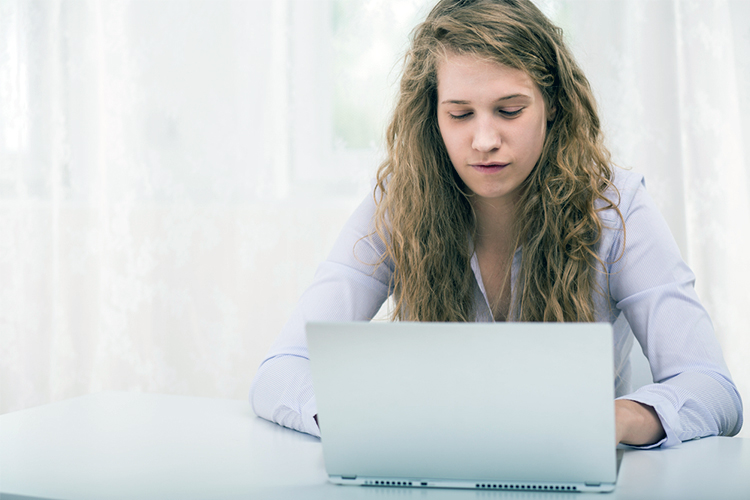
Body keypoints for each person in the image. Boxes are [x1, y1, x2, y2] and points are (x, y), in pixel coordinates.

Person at [250, 0, 742, 447]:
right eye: (460, 114)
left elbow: (712, 389)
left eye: (509, 110)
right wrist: (359, 418)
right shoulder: (400, 203)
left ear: (552, 106)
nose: (484, 140)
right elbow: (280, 372)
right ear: (433, 118)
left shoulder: (616, 207)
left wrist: (617, 419)